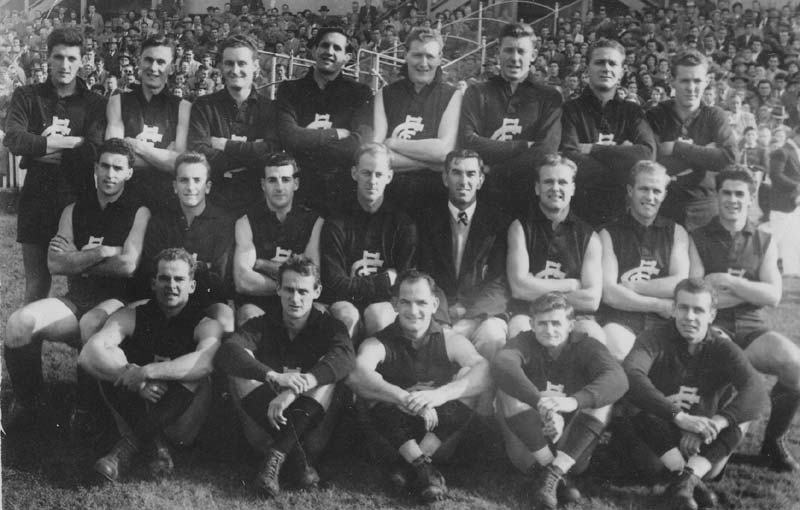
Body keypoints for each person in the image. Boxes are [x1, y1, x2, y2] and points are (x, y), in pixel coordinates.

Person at [3, 139, 150, 431]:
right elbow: (55, 264)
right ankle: (29, 402)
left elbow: (128, 265)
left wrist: (78, 259)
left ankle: (87, 408)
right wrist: (103, 252)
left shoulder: (138, 211)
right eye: (105, 166)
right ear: (95, 168)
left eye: (118, 168)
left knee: (92, 322)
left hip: (117, 301)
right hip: (76, 298)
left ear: (129, 173)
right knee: (19, 323)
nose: (110, 174)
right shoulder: (73, 209)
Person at [78, 247, 223, 481]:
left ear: (192, 286)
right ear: (153, 283)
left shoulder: (205, 323)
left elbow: (205, 363)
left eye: (179, 279)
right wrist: (128, 374)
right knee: (109, 354)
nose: (171, 285)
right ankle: (155, 446)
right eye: (164, 278)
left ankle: (128, 446)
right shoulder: (133, 314)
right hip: (138, 404)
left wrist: (147, 372)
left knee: (198, 371)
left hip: (179, 426)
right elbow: (88, 354)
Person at [215, 255, 354, 497]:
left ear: (317, 291)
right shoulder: (263, 324)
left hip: (312, 431)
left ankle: (278, 456)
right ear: (278, 288)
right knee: (238, 370)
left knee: (329, 373)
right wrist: (273, 376)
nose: (295, 298)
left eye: (303, 291)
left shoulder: (329, 326)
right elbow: (228, 352)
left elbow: (345, 357)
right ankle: (294, 460)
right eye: (289, 289)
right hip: (267, 424)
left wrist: (297, 388)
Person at [347, 270, 491, 503]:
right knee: (368, 385)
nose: (413, 311)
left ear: (434, 304)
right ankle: (423, 468)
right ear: (395, 304)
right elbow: (355, 374)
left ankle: (411, 466)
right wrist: (403, 398)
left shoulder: (449, 339)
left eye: (421, 303)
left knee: (469, 376)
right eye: (406, 302)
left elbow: (484, 372)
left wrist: (438, 396)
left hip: (436, 435)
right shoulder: (379, 342)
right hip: (392, 439)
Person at [689, 169, 800, 472]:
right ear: (717, 195)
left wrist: (726, 281)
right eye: (727, 193)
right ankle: (714, 440)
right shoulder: (697, 237)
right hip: (712, 328)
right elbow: (697, 294)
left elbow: (774, 295)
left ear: (751, 199)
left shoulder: (764, 239)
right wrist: (753, 291)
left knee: (795, 364)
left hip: (751, 327)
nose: (733, 200)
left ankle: (773, 442)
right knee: (714, 471)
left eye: (740, 194)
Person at [623, 278, 766, 509]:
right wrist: (679, 416)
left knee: (745, 413)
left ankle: (688, 477)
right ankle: (686, 477)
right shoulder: (653, 337)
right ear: (673, 309)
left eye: (698, 310)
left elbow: (757, 390)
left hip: (703, 442)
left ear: (711, 315)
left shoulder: (722, 346)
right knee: (633, 400)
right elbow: (631, 374)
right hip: (659, 437)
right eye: (683, 308)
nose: (689, 316)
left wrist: (716, 424)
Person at [492, 292, 628, 510]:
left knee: (602, 400)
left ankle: (553, 473)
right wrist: (542, 404)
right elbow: (502, 365)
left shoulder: (587, 346)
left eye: (556, 323)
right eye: (542, 324)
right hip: (532, 448)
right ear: (532, 324)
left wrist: (572, 403)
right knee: (506, 391)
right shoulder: (523, 342)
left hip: (571, 448)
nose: (550, 330)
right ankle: (550, 469)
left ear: (571, 325)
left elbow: (618, 379)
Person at [3, 27, 106, 303]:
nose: (65, 65)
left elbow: (93, 149)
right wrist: (72, 143)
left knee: (82, 292)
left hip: (79, 201)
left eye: (72, 58)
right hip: (37, 200)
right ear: (48, 58)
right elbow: (13, 138)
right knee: (36, 289)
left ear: (82, 61)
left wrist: (36, 151)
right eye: (58, 57)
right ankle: (24, 344)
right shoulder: (27, 95)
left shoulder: (95, 103)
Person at [459, 22, 563, 217]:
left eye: (521, 51)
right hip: (483, 198)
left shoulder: (549, 97)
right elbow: (467, 141)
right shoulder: (477, 92)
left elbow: (545, 150)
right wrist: (523, 146)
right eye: (508, 50)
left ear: (533, 55)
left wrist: (493, 170)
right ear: (498, 52)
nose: (514, 58)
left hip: (528, 199)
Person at [419, 149, 511, 360]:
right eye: (456, 173)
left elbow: (499, 280)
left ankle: (484, 393)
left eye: (470, 174)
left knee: (492, 335)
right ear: (445, 178)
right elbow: (424, 275)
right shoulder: (426, 219)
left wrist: (470, 319)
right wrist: (441, 317)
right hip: (439, 311)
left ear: (480, 180)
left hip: (481, 312)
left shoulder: (499, 223)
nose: (463, 181)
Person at [320, 142, 417, 338]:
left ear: (389, 177)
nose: (372, 181)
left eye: (379, 174)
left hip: (385, 304)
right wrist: (383, 280)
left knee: (378, 315)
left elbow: (405, 284)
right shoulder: (336, 222)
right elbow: (334, 284)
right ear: (354, 173)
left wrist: (361, 286)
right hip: (346, 302)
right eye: (366, 173)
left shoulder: (403, 224)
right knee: (347, 316)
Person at [599, 160, 691, 362]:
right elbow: (610, 293)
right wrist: (659, 304)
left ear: (664, 195)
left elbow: (679, 283)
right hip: (623, 321)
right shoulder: (608, 233)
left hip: (666, 326)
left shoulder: (677, 232)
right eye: (644, 189)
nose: (650, 197)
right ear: (630, 190)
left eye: (657, 191)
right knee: (615, 342)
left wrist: (631, 286)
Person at [506, 154, 604, 342]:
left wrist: (534, 284)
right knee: (518, 330)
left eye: (563, 182)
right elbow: (519, 289)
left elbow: (591, 300)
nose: (556, 188)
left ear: (573, 188)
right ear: (537, 187)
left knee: (595, 335)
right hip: (528, 315)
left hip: (575, 317)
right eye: (548, 181)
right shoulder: (520, 228)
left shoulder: (589, 236)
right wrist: (570, 285)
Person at [560, 38, 657, 227]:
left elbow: (647, 155)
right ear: (587, 69)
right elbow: (569, 159)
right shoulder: (570, 110)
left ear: (621, 72)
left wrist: (593, 150)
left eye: (612, 63)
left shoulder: (633, 112)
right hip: (578, 214)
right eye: (599, 62)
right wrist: (622, 158)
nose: (606, 68)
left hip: (622, 216)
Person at [276, 27, 373, 214]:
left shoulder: (360, 93)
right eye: (324, 45)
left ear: (347, 57)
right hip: (300, 193)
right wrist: (336, 133)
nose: (329, 52)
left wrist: (307, 145)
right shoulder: (290, 90)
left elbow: (360, 143)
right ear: (313, 50)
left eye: (337, 48)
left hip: (344, 193)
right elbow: (289, 136)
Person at [140, 152, 236, 332]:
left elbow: (219, 278)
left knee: (225, 318)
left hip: (206, 301)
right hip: (165, 298)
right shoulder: (161, 220)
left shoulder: (223, 223)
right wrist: (200, 265)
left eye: (197, 180)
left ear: (207, 187)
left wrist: (175, 267)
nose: (190, 187)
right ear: (175, 186)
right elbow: (150, 269)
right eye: (184, 180)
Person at [373, 27, 462, 221]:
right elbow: (376, 157)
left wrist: (392, 143)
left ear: (440, 58)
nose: (423, 63)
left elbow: (444, 151)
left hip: (434, 199)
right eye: (417, 55)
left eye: (430, 56)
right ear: (405, 55)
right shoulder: (385, 94)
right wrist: (430, 163)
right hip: (390, 196)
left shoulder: (453, 96)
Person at [188, 35, 280, 215]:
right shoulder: (203, 106)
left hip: (258, 206)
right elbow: (198, 152)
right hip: (212, 204)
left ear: (255, 66)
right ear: (221, 67)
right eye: (229, 63)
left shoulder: (271, 109)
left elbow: (271, 153)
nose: (235, 70)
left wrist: (224, 145)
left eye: (242, 63)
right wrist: (253, 154)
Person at [646, 49, 737, 230]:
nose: (691, 87)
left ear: (706, 82)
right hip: (665, 206)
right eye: (685, 80)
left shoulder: (715, 116)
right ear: (673, 81)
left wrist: (677, 148)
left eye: (697, 81)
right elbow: (650, 159)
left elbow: (728, 159)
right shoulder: (655, 115)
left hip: (705, 207)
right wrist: (706, 154)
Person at [233, 152, 323, 325]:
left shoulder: (314, 221)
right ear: (263, 184)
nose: (280, 187)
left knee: (320, 313)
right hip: (260, 304)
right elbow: (243, 281)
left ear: (295, 183)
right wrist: (294, 285)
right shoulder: (246, 221)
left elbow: (312, 279)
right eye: (272, 180)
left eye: (286, 180)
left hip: (299, 304)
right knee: (248, 314)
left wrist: (263, 264)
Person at [106, 35, 191, 214]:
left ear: (172, 67)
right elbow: (114, 159)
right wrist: (165, 155)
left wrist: (135, 146)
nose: (153, 68)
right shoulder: (117, 102)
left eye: (161, 62)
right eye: (148, 60)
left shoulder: (183, 107)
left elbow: (180, 164)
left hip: (166, 204)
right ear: (139, 63)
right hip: (124, 202)